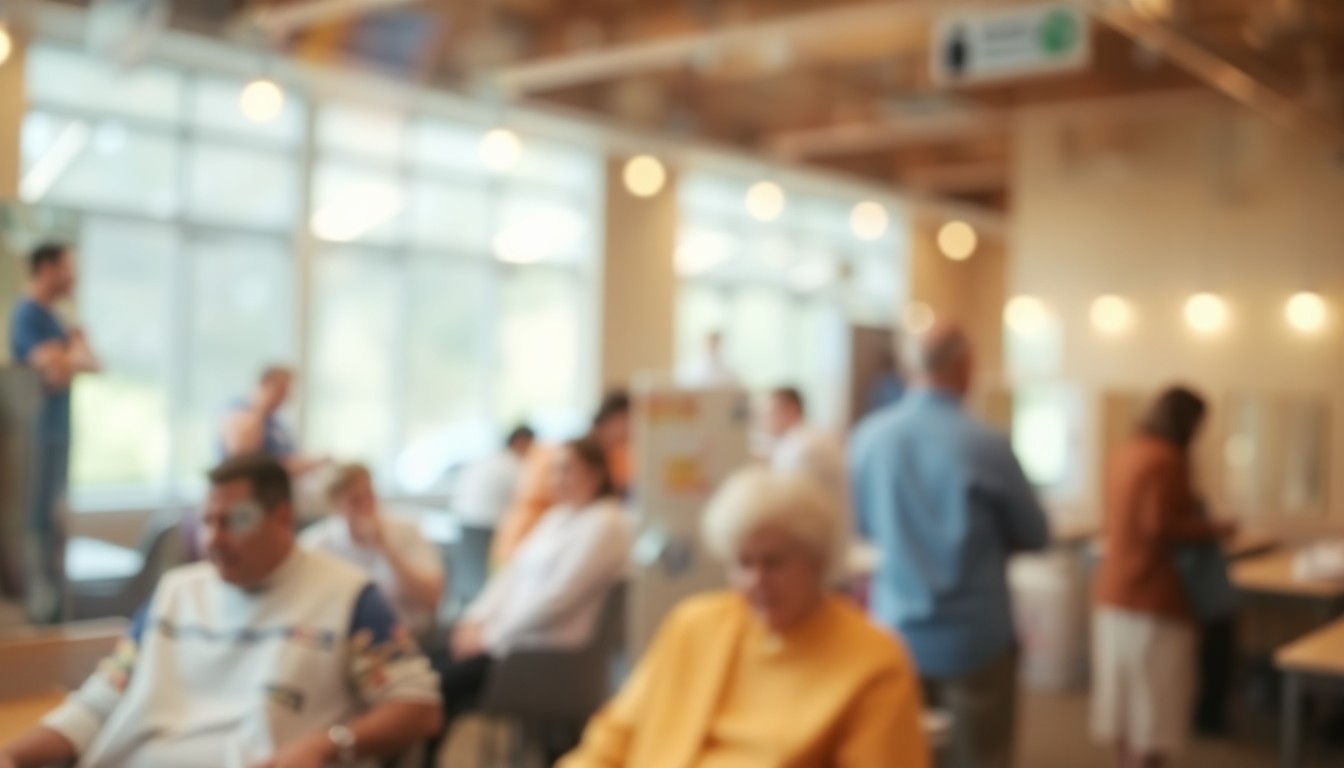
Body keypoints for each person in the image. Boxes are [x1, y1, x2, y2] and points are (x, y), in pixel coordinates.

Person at [0, 454, 442, 768]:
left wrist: (329, 745)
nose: (215, 539)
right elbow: (100, 702)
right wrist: (14, 755)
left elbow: (419, 706)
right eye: (208, 521)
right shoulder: (176, 592)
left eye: (236, 521)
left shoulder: (347, 597)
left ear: (282, 519)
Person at [560, 467, 930, 768]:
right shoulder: (694, 624)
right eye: (743, 563)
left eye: (774, 562)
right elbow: (615, 735)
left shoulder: (873, 661)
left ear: (816, 561)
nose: (757, 581)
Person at [849, 324, 1049, 768]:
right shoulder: (987, 443)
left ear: (908, 367)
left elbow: (862, 531)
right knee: (980, 755)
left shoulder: (868, 439)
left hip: (894, 632)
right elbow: (1036, 533)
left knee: (900, 756)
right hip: (974, 636)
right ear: (965, 366)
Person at [432, 438, 630, 745]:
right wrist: (473, 620)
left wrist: (488, 637)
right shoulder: (556, 517)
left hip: (542, 655)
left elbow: (558, 599)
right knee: (426, 671)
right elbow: (510, 575)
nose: (557, 480)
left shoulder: (607, 523)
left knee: (437, 687)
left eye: (567, 470)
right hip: (508, 640)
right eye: (553, 471)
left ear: (596, 474)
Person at [1093, 387, 1234, 768]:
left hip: (1114, 595)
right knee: (1152, 719)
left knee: (1123, 714)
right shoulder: (1168, 460)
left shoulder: (1126, 453)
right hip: (1155, 602)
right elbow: (1158, 526)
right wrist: (1214, 529)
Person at [8, 242, 99, 624]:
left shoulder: (58, 321)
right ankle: (32, 610)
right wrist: (73, 352)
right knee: (34, 524)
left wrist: (71, 357)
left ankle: (47, 612)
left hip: (58, 434)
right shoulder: (28, 314)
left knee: (53, 526)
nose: (74, 276)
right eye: (68, 268)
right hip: (34, 436)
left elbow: (90, 364)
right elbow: (51, 368)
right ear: (47, 268)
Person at [301, 463, 446, 638]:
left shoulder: (406, 530)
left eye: (369, 494)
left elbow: (431, 599)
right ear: (335, 506)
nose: (366, 506)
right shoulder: (316, 545)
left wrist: (385, 548)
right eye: (354, 500)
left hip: (409, 638)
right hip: (346, 641)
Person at [491, 391, 633, 566]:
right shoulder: (565, 456)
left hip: (537, 552)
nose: (632, 433)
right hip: (527, 549)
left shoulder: (611, 456)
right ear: (615, 418)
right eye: (628, 422)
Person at [219, 366, 325, 475]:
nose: (286, 397)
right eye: (281, 390)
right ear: (264, 385)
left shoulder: (276, 423)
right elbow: (244, 462)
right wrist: (259, 408)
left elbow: (285, 460)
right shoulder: (240, 412)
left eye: (288, 391)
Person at [764, 385, 847, 515]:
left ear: (790, 409)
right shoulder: (813, 437)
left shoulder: (800, 449)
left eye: (769, 414)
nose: (765, 422)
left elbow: (791, 506)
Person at [453, 425, 535, 527]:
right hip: (486, 526)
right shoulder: (513, 466)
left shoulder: (489, 458)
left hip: (463, 523)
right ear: (521, 442)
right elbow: (527, 499)